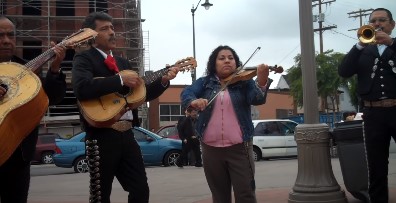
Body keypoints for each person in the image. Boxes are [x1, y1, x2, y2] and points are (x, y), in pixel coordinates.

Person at [71, 12, 179, 203]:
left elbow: (138, 96)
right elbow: (82, 89)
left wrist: (162, 81)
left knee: (140, 190)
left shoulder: (123, 63)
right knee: (100, 195)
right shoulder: (84, 59)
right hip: (100, 137)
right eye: (104, 29)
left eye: (112, 28)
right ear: (91, 35)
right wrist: (120, 79)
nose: (112, 32)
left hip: (128, 135)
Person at [180, 45, 271, 203]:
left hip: (239, 148)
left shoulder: (245, 82)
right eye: (221, 58)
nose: (227, 61)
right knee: (220, 196)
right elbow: (186, 93)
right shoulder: (205, 82)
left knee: (245, 194)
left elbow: (257, 98)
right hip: (210, 149)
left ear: (236, 63)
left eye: (231, 58)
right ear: (214, 63)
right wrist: (193, 101)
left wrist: (262, 81)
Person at [0, 16, 67, 203]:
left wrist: (55, 68)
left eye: (10, 35)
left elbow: (52, 98)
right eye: (0, 35)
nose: (6, 40)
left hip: (18, 155)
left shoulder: (27, 70)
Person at [338, 8, 396, 203]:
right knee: (376, 166)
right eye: (373, 21)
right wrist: (359, 45)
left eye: (382, 20)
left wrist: (392, 43)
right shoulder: (363, 50)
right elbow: (344, 70)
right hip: (372, 113)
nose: (377, 24)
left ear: (392, 24)